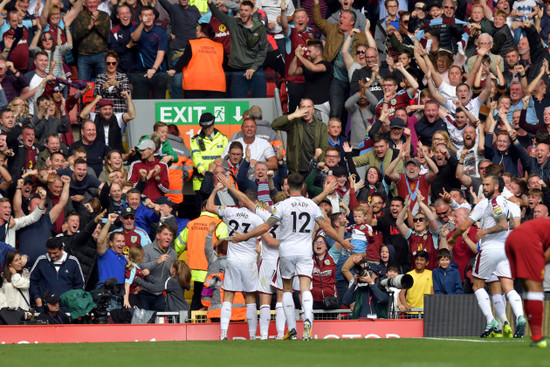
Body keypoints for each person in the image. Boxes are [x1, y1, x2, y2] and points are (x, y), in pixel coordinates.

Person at [230, 172, 352, 340]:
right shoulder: (311, 205)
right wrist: (342, 241)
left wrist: (243, 237)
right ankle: (308, 320)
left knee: (286, 289)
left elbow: (266, 226)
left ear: (287, 188)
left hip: (286, 251)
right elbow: (326, 227)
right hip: (304, 251)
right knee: (305, 287)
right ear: (303, 187)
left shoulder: (282, 206)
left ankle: (292, 328)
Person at [449, 175, 526, 338]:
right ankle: (518, 317)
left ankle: (492, 321)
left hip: (490, 249)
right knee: (506, 288)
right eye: (483, 184)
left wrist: (455, 237)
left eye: (486, 184)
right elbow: (512, 225)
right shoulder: (510, 204)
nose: (483, 187)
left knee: (477, 286)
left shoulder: (489, 203)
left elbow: (466, 225)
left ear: (497, 186)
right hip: (505, 250)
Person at [205, 183, 265, 340]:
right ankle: (252, 336)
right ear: (255, 202)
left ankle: (224, 333)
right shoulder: (258, 218)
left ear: (240, 201)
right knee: (251, 297)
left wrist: (215, 190)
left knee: (228, 296)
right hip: (249, 260)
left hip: (232, 260)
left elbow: (210, 206)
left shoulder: (231, 212)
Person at [174, 199, 228, 310]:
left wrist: (172, 261)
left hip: (195, 271)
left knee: (197, 298)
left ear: (203, 208)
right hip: (213, 271)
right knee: (213, 301)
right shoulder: (219, 224)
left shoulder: (191, 224)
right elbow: (225, 248)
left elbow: (178, 245)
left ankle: (192, 325)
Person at [208, 0, 268, 98]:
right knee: (238, 103)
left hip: (256, 69)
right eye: (241, 10)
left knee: (260, 100)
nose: (243, 12)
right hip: (238, 70)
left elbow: (262, 51)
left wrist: (253, 68)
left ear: (252, 12)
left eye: (246, 10)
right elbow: (218, 14)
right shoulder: (233, 23)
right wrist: (210, 3)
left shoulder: (260, 28)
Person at [505, 218, 550, 347]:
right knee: (535, 289)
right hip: (527, 240)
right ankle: (537, 338)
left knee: (529, 291)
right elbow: (545, 257)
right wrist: (538, 266)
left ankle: (535, 336)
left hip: (512, 238)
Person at [271, 98, 328, 175]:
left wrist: (321, 162)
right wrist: (293, 115)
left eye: (309, 107)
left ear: (313, 110)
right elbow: (274, 125)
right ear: (299, 109)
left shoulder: (321, 126)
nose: (306, 109)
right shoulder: (294, 123)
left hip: (313, 169)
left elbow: (324, 147)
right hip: (295, 169)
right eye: (303, 107)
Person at [169, 22, 226, 99]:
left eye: (197, 31)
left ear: (202, 33)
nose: (196, 32)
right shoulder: (220, 47)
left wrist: (174, 69)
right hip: (217, 86)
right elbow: (225, 65)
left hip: (194, 85)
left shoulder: (192, 44)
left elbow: (183, 60)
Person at [29, 236, 85, 310]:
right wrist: (37, 298)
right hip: (46, 308)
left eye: (55, 253)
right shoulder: (41, 261)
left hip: (67, 308)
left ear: (62, 249)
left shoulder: (73, 261)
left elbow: (80, 284)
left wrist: (74, 302)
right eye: (49, 253)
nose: (52, 255)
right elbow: (32, 281)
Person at [129, 6, 170, 99]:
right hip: (141, 72)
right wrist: (142, 24)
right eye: (145, 15)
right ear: (140, 17)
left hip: (158, 72)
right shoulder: (135, 29)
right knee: (141, 101)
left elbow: (161, 53)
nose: (148, 18)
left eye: (150, 15)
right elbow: (134, 38)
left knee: (158, 102)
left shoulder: (161, 32)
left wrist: (154, 69)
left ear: (154, 16)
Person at [139, 224, 178, 311]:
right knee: (145, 322)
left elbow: (175, 273)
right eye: (165, 234)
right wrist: (157, 262)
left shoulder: (172, 253)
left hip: (160, 294)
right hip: (144, 292)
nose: (168, 237)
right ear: (158, 236)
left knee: (160, 322)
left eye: (170, 235)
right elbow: (140, 267)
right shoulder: (147, 249)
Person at [72, 0, 110, 81]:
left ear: (98, 3)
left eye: (94, 2)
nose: (92, 5)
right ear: (85, 4)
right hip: (83, 57)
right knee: (82, 85)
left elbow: (106, 34)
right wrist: (89, 26)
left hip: (101, 55)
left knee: (103, 84)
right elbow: (76, 36)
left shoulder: (104, 15)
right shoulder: (80, 16)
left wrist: (96, 23)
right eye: (90, 2)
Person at [398, 250, 433, 315]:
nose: (419, 262)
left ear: (427, 263)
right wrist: (406, 305)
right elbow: (402, 293)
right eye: (417, 259)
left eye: (422, 260)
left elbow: (432, 293)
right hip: (411, 311)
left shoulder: (431, 274)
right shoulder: (408, 274)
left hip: (425, 311)